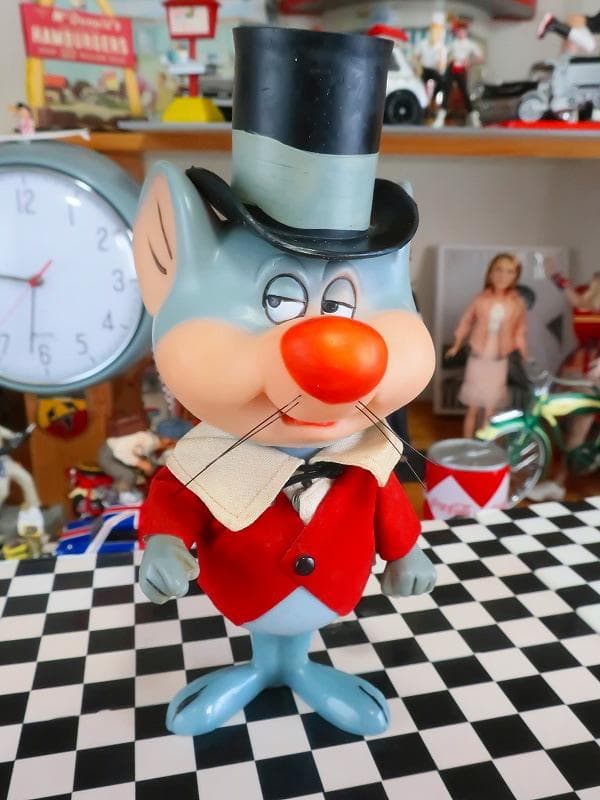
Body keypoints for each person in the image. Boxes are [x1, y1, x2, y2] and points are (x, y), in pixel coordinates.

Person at [527, 272, 600, 501]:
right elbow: (577, 299)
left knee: (582, 414)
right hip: (584, 362)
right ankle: (560, 474)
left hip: (594, 367)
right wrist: (555, 274)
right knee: (563, 411)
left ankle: (559, 481)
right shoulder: (585, 294)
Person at [446, 253, 528, 439]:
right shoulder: (481, 299)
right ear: (490, 272)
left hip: (500, 358)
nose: (503, 275)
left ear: (515, 276)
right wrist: (457, 344)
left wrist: (524, 355)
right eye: (498, 269)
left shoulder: (516, 303)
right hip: (479, 355)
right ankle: (467, 443)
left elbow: (520, 332)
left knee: (490, 408)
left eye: (509, 271)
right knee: (473, 407)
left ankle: (485, 446)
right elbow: (466, 321)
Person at [434, 19, 484, 128]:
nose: (460, 33)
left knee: (464, 93)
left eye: (462, 31)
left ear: (466, 32)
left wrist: (469, 62)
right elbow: (443, 53)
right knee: (446, 91)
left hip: (462, 70)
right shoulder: (453, 43)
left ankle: (474, 118)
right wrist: (441, 61)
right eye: (458, 31)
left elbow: (480, 58)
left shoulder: (470, 44)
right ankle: (440, 117)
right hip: (452, 68)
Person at [414, 12, 448, 106]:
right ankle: (420, 103)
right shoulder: (422, 44)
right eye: (433, 31)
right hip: (423, 69)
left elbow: (441, 68)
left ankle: (433, 101)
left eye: (437, 32)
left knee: (443, 82)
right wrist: (418, 67)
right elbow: (415, 57)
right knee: (419, 84)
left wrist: (440, 55)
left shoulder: (442, 48)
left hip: (434, 71)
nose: (435, 34)